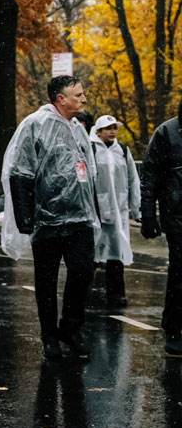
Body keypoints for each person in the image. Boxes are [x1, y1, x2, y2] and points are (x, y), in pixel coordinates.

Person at [2, 75, 102, 361]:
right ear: (61, 98)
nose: (83, 99)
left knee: (82, 272)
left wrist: (92, 209)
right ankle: (49, 336)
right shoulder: (35, 125)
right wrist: (25, 220)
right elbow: (19, 171)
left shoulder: (79, 129)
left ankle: (71, 328)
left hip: (79, 219)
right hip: (46, 220)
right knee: (46, 281)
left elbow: (89, 174)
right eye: (78, 95)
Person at [139, 101, 182, 357]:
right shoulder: (167, 133)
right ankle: (173, 327)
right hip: (177, 214)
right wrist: (148, 215)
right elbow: (150, 176)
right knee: (179, 271)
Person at [89, 115, 140, 307]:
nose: (112, 131)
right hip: (96, 211)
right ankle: (83, 294)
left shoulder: (123, 151)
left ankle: (116, 294)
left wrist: (137, 210)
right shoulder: (92, 150)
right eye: (108, 128)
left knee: (116, 254)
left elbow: (132, 180)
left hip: (119, 211)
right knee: (92, 253)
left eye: (114, 128)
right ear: (98, 131)